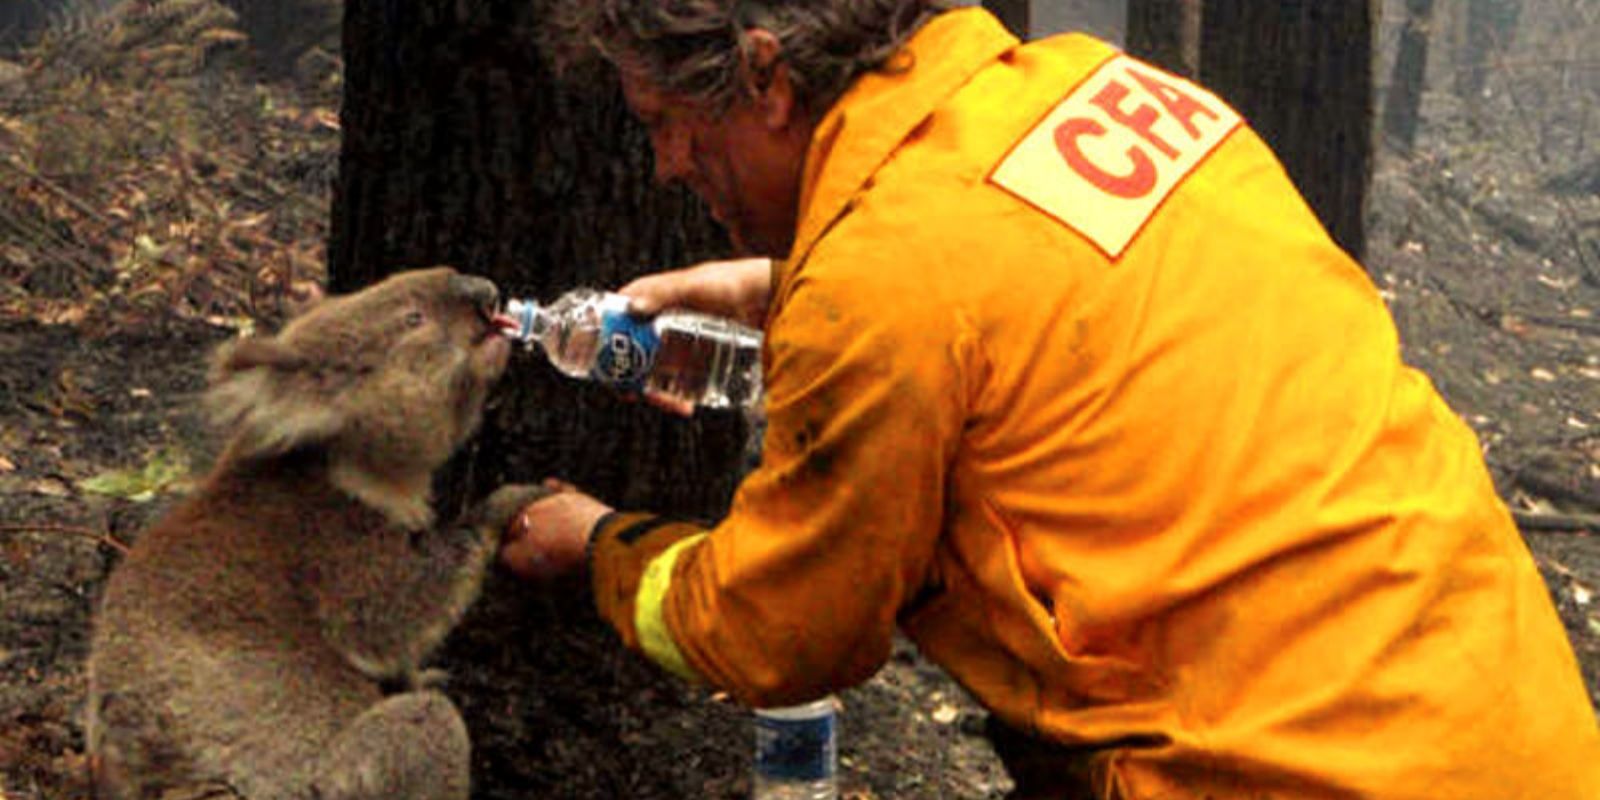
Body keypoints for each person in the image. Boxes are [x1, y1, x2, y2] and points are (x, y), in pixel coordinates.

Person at [500, 2, 1600, 797]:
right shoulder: (1095, 90)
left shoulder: (884, 285)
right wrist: (780, 291)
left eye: (660, 122)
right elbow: (1031, 301)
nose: (663, 166)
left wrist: (598, 544)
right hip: (1509, 723)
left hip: (1286, 771)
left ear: (764, 77)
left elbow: (782, 631)